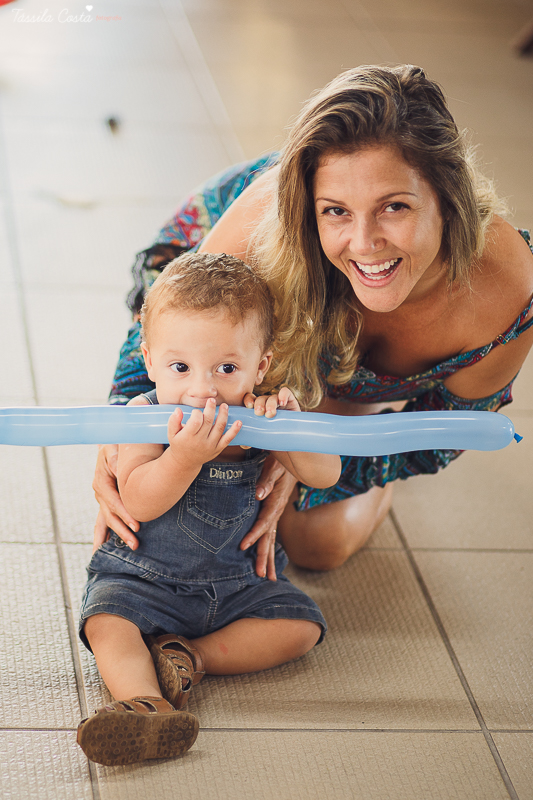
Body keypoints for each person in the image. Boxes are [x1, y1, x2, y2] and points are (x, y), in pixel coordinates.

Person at [93, 63, 533, 578]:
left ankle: (348, 416)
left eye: (394, 206)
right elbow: (169, 328)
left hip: (298, 383)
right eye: (336, 212)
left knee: (317, 544)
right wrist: (122, 430)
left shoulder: (509, 288)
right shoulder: (265, 230)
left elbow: (441, 434)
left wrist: (308, 460)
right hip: (233, 341)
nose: (365, 243)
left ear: (448, 199)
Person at [77, 253, 338, 767]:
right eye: (180, 368)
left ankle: (190, 658)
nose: (202, 390)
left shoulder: (259, 418)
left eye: (226, 368)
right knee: (106, 619)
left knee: (301, 626)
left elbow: (323, 474)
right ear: (149, 361)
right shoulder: (142, 416)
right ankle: (145, 704)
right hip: (143, 581)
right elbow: (140, 498)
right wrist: (184, 457)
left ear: (260, 365)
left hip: (237, 585)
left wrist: (291, 423)